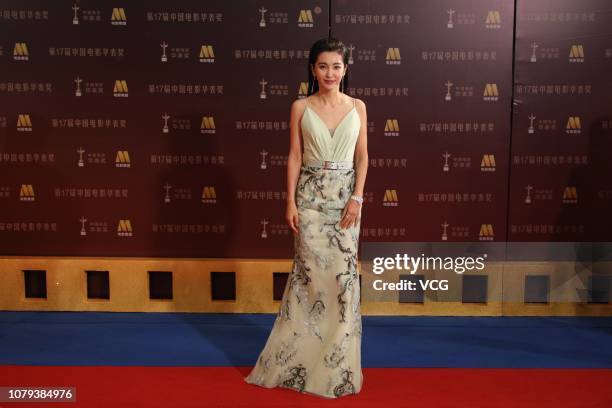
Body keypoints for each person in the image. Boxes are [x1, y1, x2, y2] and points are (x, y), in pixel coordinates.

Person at [244, 37, 368, 399]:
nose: (330, 73)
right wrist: (290, 202)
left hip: (346, 200)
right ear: (312, 69)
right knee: (308, 280)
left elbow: (363, 158)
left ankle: (337, 367)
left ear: (345, 69)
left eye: (336, 66)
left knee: (344, 282)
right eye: (322, 66)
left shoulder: (358, 107)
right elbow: (295, 156)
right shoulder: (300, 106)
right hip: (310, 199)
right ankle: (296, 362)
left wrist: (357, 197)